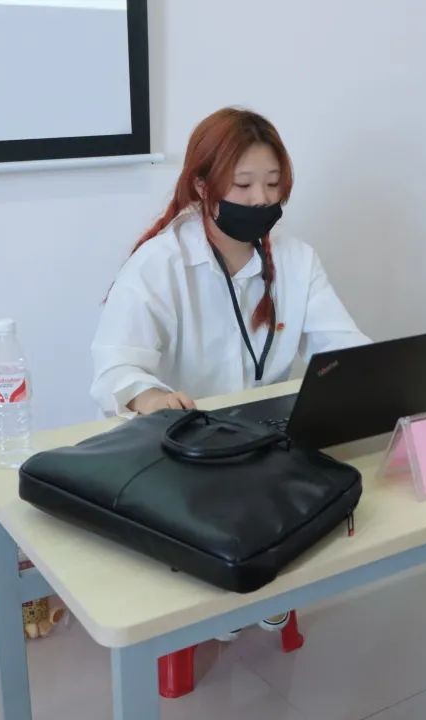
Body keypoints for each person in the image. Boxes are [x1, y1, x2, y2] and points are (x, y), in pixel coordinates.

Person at [90, 107, 370, 636]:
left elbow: (347, 348)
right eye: (242, 185)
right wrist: (150, 398)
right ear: (203, 186)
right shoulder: (161, 263)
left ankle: (263, 578)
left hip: (267, 445)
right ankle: (234, 591)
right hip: (189, 451)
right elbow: (115, 366)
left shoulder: (296, 260)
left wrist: (375, 379)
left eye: (273, 183)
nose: (261, 199)